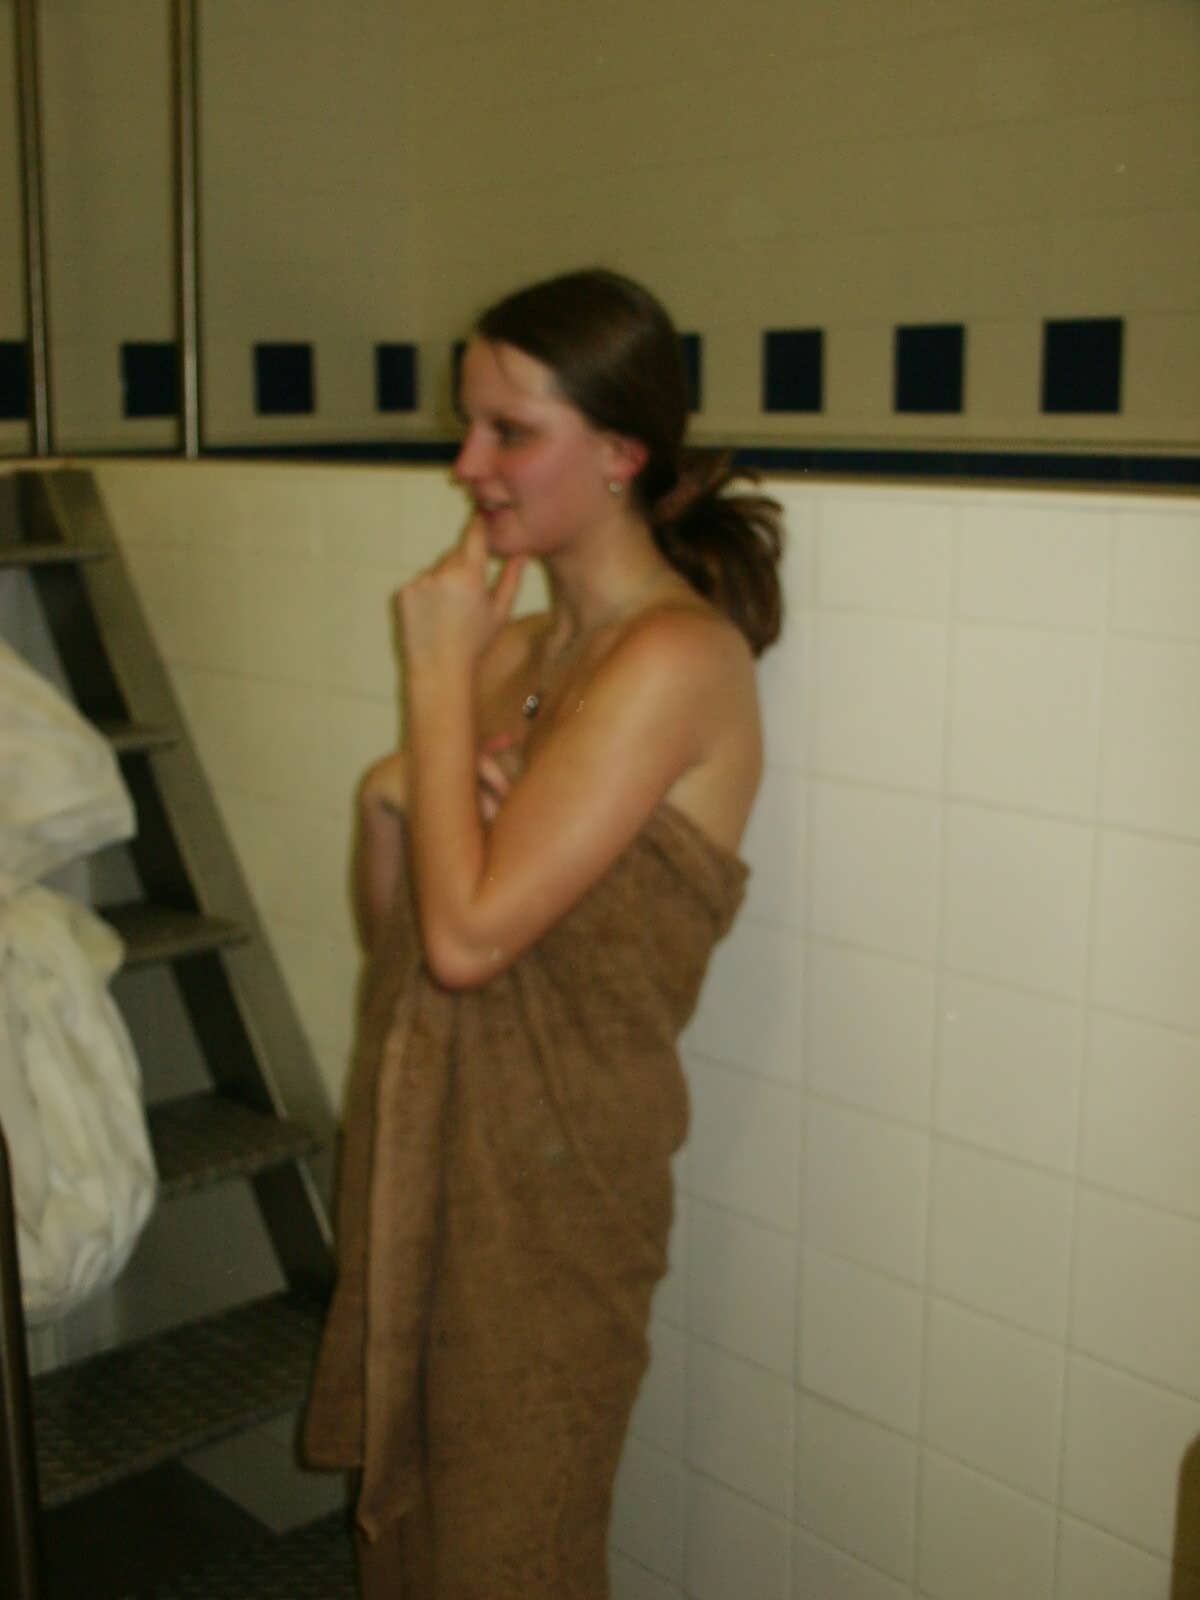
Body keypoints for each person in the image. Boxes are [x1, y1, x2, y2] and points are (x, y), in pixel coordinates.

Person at [302, 268, 784, 1598]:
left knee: (513, 1556)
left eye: (509, 431)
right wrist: (392, 799)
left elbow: (470, 946)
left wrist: (430, 674)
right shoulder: (513, 655)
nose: (467, 466)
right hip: (439, 1159)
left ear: (621, 452)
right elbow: (410, 950)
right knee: (410, 1545)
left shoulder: (676, 660)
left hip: (556, 1202)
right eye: (468, 425)